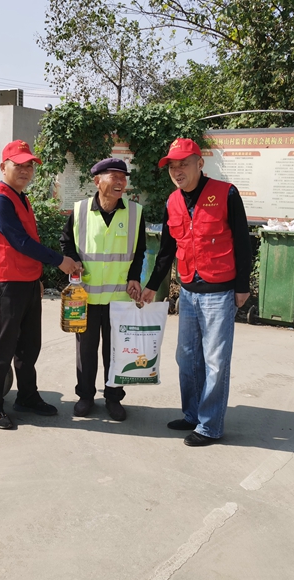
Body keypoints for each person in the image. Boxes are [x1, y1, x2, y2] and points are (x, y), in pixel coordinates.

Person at [141, 138, 251, 446]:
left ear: (199, 164)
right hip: (188, 291)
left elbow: (242, 241)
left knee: (215, 360)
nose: (177, 171)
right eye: (172, 167)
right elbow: (166, 250)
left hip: (219, 291)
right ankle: (192, 414)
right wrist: (152, 286)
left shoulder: (226, 194)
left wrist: (243, 285)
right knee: (187, 357)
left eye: (184, 164)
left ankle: (210, 426)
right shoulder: (172, 202)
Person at [0, 140, 80, 430]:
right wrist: (59, 261)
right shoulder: (0, 200)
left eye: (29, 166)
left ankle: (26, 396)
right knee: (3, 346)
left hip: (26, 282)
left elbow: (28, 243)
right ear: (4, 167)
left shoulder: (20, 198)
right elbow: (20, 242)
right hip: (8, 284)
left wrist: (37, 279)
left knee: (28, 346)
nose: (25, 171)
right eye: (18, 165)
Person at [60, 158, 146, 422]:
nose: (121, 182)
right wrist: (73, 263)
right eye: (114, 177)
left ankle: (113, 397)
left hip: (119, 298)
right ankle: (85, 396)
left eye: (123, 177)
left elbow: (140, 250)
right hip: (85, 296)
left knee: (116, 352)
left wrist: (134, 277)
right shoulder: (80, 210)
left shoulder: (135, 212)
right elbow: (66, 243)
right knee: (85, 352)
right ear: (97, 181)